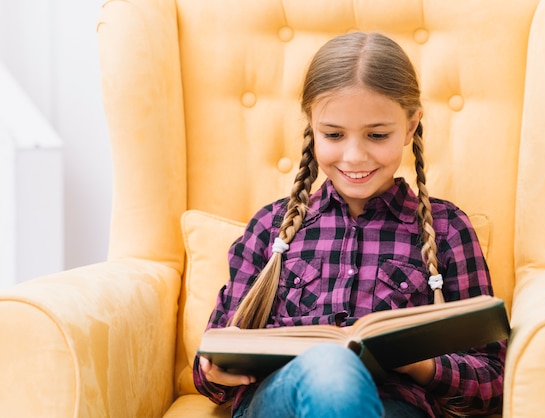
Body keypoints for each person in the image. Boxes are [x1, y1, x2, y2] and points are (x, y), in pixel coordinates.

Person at [193, 32, 506, 418]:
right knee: (330, 366)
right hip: (282, 403)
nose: (354, 156)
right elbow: (207, 370)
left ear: (411, 126)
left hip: (396, 406)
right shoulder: (270, 227)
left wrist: (417, 363)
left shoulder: (447, 230)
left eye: (377, 135)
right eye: (334, 135)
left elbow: (494, 379)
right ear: (311, 126)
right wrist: (216, 369)